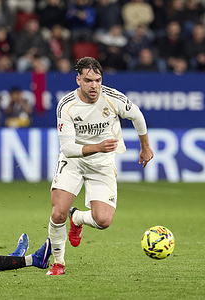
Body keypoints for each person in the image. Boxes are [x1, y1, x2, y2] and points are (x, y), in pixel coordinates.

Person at [46, 57, 154, 275]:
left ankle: (77, 218)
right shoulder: (66, 105)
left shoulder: (112, 98)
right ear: (78, 80)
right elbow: (67, 148)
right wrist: (98, 146)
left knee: (103, 220)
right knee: (58, 213)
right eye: (88, 80)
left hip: (102, 163)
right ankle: (58, 263)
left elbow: (137, 115)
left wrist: (145, 147)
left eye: (97, 80)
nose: (94, 85)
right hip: (73, 162)